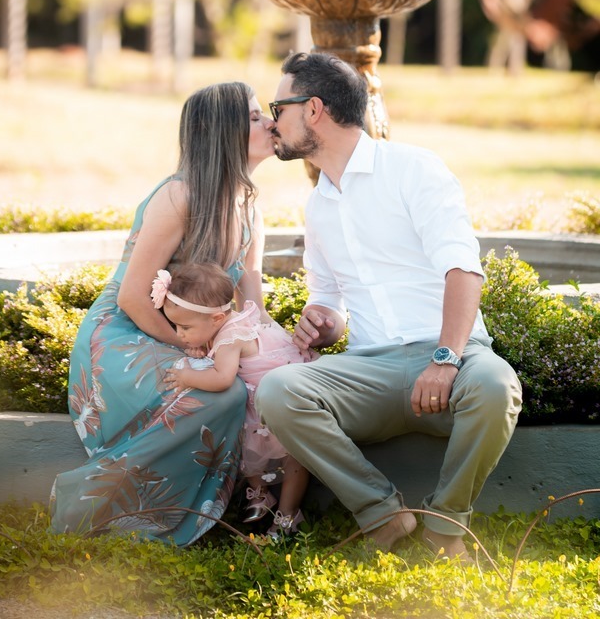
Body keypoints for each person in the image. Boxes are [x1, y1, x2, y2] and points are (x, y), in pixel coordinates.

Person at [255, 52, 523, 561]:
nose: (273, 121)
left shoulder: (413, 168)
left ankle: (446, 525)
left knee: (496, 385)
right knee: (278, 390)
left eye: (279, 107)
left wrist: (445, 360)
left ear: (313, 110)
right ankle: (381, 513)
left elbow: (463, 269)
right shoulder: (318, 205)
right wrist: (322, 322)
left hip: (454, 358)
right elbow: (330, 300)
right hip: (371, 369)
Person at [49, 82, 276, 544]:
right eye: (254, 117)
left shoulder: (249, 206)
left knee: (260, 383)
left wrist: (280, 346)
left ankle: (242, 509)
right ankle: (90, 501)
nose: (270, 122)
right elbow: (132, 297)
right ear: (221, 132)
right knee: (222, 393)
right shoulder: (179, 197)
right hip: (125, 336)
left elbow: (250, 294)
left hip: (191, 336)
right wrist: (190, 346)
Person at [157, 262, 316, 538]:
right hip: (261, 393)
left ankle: (289, 515)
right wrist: (202, 345)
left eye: (184, 327)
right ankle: (261, 494)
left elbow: (222, 378)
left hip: (286, 399)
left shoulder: (231, 336)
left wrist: (187, 378)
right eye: (176, 326)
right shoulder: (226, 325)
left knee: (293, 455)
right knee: (247, 442)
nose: (179, 333)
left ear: (216, 319)